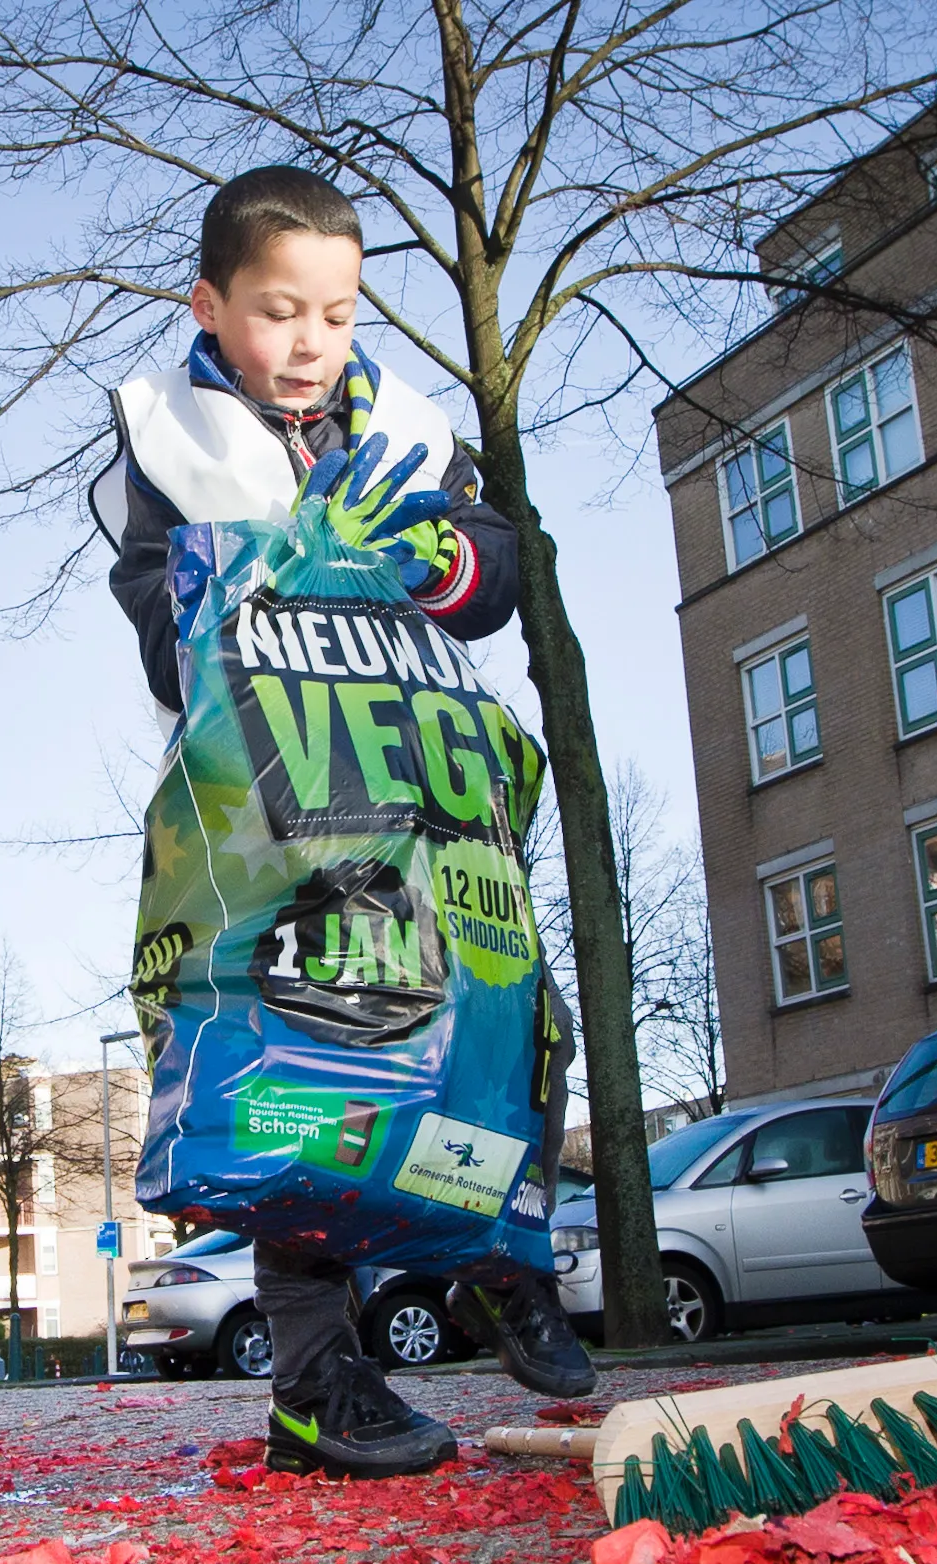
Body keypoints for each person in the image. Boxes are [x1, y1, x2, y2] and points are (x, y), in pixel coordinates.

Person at [95, 166, 595, 1482]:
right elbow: (162, 620)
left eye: (337, 310)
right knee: (320, 1051)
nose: (310, 340)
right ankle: (319, 1375)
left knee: (513, 1014)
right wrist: (294, 552)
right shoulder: (173, 445)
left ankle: (494, 1250)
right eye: (277, 310)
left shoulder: (412, 433)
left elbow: (498, 570)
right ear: (210, 306)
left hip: (428, 792)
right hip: (283, 805)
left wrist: (442, 556)